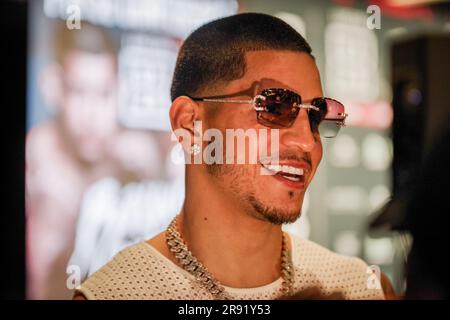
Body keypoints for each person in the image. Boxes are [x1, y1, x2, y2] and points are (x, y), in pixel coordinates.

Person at [74, 13, 394, 300]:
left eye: (316, 116)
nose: (307, 143)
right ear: (190, 124)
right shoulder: (117, 293)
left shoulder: (358, 288)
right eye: (275, 106)